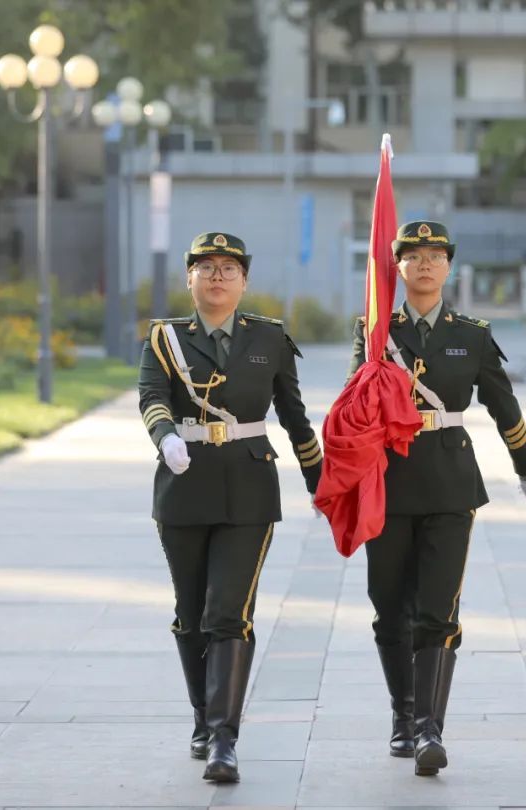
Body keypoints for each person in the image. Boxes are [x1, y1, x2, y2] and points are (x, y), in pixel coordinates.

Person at [344, 220, 526, 776]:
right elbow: (357, 400)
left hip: (451, 482)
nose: (425, 263)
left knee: (438, 608)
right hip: (391, 478)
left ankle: (429, 726)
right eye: (413, 255)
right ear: (397, 267)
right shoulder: (375, 329)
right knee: (388, 606)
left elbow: (503, 404)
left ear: (449, 266)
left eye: (435, 255)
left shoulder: (472, 333)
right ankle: (403, 714)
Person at [137, 232, 322, 783]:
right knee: (191, 616)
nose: (217, 276)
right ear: (188, 279)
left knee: (229, 614)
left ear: (243, 281)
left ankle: (224, 737)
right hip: (183, 485)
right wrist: (166, 436)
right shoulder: (165, 338)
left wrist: (321, 481)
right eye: (206, 267)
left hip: (249, 488)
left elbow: (294, 415)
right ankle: (202, 717)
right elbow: (150, 397)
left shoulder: (268, 338)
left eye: (228, 268)